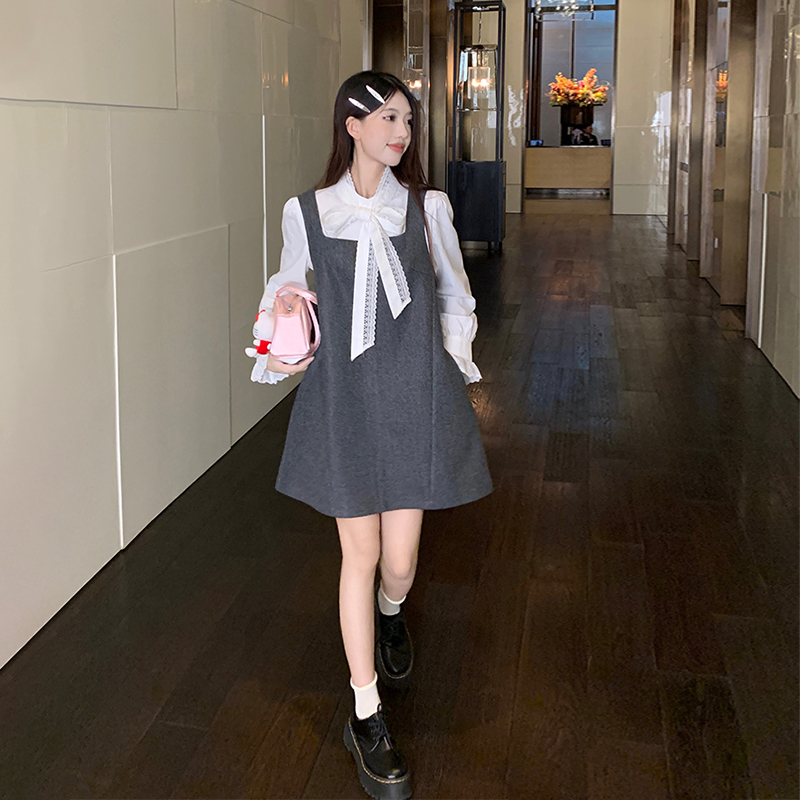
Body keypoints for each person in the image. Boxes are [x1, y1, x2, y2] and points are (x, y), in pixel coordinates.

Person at [245, 70, 493, 800]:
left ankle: (391, 615)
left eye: (407, 121)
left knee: (401, 564)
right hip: (345, 400)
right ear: (351, 125)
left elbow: (453, 294)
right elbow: (287, 285)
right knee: (360, 553)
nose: (401, 133)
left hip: (413, 393)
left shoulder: (426, 207)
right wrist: (282, 318)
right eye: (387, 118)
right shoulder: (307, 211)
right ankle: (365, 712)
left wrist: (452, 371)